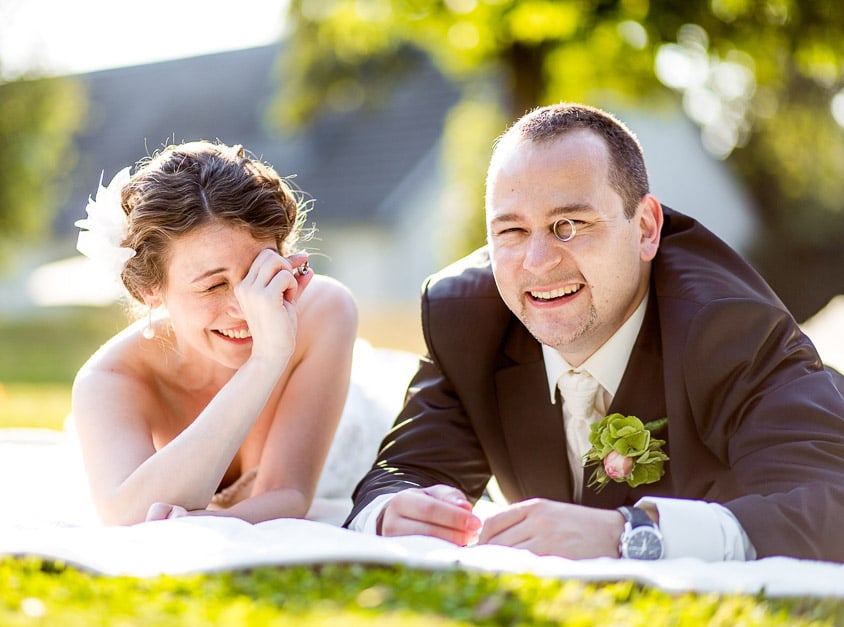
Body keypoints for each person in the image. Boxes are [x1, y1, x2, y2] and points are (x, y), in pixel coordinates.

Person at [346, 103, 844, 562]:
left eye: (569, 224)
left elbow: (830, 504)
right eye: (512, 231)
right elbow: (401, 475)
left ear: (646, 228)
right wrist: (392, 512)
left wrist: (628, 533)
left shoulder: (730, 327)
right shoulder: (465, 317)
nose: (537, 264)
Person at [71, 141, 358, 526]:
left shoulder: (324, 312)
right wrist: (263, 362)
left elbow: (288, 494)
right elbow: (125, 515)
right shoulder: (108, 379)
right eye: (213, 286)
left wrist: (273, 357)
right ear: (150, 290)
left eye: (259, 273)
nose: (246, 307)